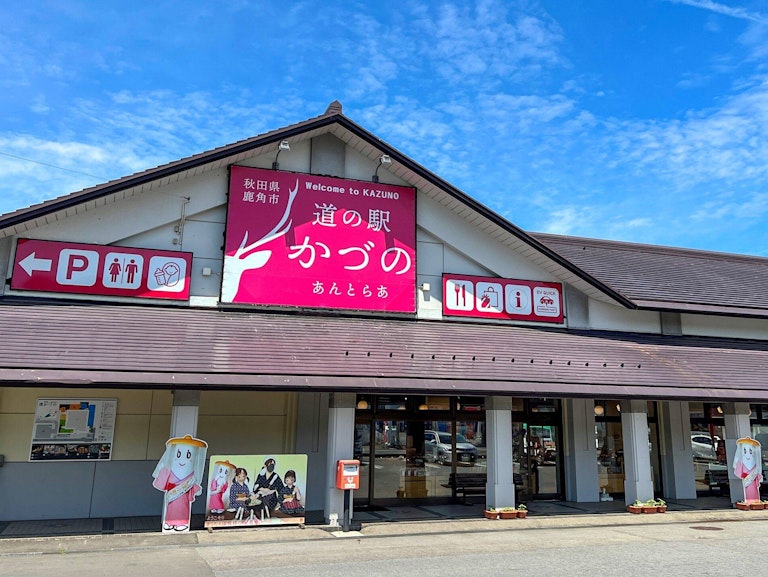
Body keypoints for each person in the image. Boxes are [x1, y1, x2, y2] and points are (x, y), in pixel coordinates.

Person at [151, 434, 208, 533]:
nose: (182, 459)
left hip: (184, 494)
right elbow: (163, 479)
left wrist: (196, 489)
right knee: (171, 508)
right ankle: (169, 522)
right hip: (172, 492)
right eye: (178, 455)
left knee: (183, 508)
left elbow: (193, 484)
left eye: (188, 456)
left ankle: (182, 523)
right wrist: (162, 470)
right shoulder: (170, 470)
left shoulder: (191, 475)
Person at [733, 436, 763, 503]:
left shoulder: (755, 463)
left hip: (753, 481)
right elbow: (738, 470)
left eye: (750, 451)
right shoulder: (742, 463)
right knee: (747, 492)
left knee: (754, 491)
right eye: (745, 451)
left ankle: (755, 502)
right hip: (746, 480)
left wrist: (756, 475)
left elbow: (757, 471)